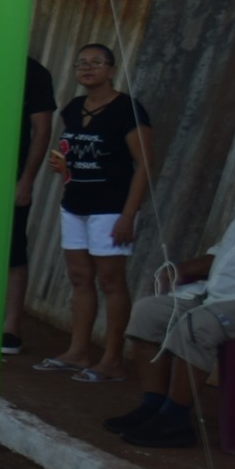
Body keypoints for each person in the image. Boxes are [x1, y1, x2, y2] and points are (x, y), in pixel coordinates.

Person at [37, 43, 152, 382]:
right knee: (79, 278)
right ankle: (78, 350)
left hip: (111, 207)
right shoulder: (72, 108)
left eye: (96, 63)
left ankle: (113, 359)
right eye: (81, 63)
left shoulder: (128, 109)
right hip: (74, 204)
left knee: (111, 281)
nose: (88, 68)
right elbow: (73, 149)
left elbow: (145, 164)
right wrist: (63, 165)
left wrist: (128, 215)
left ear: (112, 70)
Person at [101, 214, 235, 448]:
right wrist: (180, 269)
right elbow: (218, 255)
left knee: (197, 326)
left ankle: (174, 420)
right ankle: (154, 405)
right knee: (148, 314)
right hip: (211, 295)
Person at [3, 55, 56, 355]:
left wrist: (26, 180)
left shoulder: (34, 72)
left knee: (13, 250)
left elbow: (42, 130)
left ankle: (11, 327)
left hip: (10, 178)